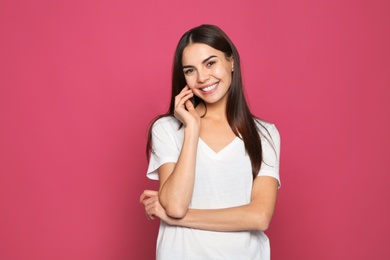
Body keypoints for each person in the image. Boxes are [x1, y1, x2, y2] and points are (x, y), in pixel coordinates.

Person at [139, 24, 281, 260]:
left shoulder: (264, 134)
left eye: (210, 63)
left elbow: (259, 217)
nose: (203, 78)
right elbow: (174, 204)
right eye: (190, 70)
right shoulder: (168, 129)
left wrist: (179, 217)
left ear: (231, 62)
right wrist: (192, 128)